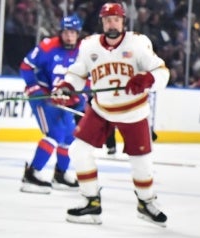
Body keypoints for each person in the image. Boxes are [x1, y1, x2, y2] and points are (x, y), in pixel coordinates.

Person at [51, 2, 170, 226]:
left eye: (116, 19)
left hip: (133, 110)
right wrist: (66, 87)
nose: (111, 23)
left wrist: (147, 79)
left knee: (142, 162)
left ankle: (145, 203)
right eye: (107, 19)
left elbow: (161, 71)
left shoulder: (138, 42)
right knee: (79, 150)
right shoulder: (89, 45)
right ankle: (91, 203)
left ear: (123, 21)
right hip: (101, 109)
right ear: (102, 23)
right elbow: (77, 73)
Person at [19, 15, 85, 194]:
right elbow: (26, 66)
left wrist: (81, 98)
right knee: (54, 134)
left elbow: (86, 79)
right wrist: (35, 89)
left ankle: (60, 175)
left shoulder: (83, 52)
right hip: (43, 98)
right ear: (61, 32)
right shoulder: (48, 46)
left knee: (70, 136)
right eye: (66, 32)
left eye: (73, 33)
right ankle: (31, 174)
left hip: (64, 101)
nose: (69, 36)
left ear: (78, 34)